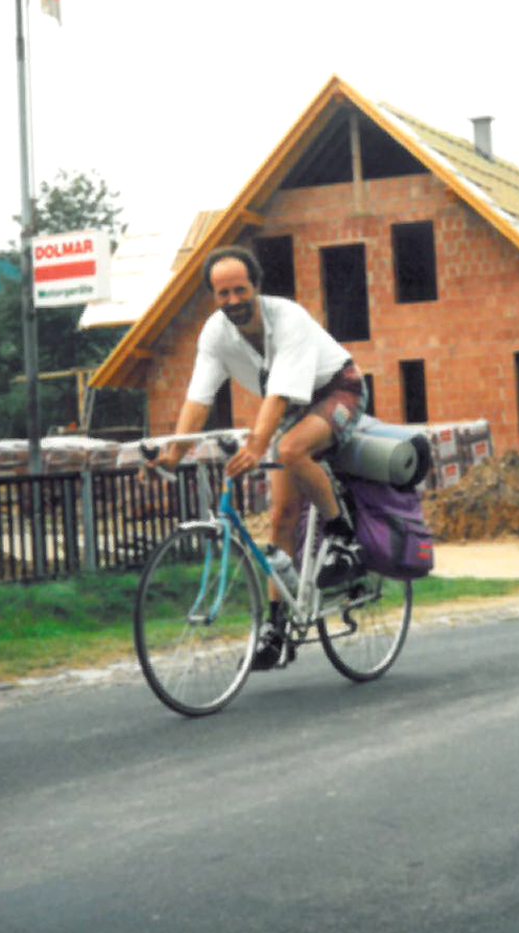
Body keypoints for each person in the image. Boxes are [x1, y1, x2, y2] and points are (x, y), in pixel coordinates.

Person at [149, 246, 367, 668]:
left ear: (256, 286)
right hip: (289, 409)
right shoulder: (215, 333)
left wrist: (254, 447)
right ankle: (277, 629)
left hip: (338, 388)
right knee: (282, 517)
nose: (232, 301)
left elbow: (279, 394)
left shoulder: (288, 319)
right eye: (222, 293)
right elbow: (198, 399)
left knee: (289, 449)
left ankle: (344, 540)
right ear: (213, 296)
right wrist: (174, 452)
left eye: (240, 290)